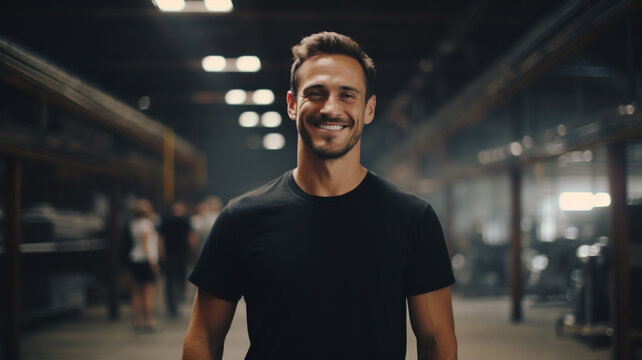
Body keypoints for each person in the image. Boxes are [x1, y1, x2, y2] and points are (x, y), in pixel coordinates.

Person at [183, 31, 457, 359]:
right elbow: (204, 336)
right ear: (291, 104)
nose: (330, 108)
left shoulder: (412, 219)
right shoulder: (241, 218)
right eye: (316, 93)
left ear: (368, 109)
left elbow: (436, 342)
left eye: (347, 95)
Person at [128, 198, 161, 332]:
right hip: (146, 261)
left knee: (136, 292)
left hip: (135, 259)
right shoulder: (147, 224)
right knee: (148, 293)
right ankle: (149, 320)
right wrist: (153, 262)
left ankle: (137, 321)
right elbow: (147, 245)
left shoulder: (133, 224)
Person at [159, 201, 198, 317]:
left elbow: (160, 237)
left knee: (170, 279)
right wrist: (194, 251)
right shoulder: (185, 221)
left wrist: (161, 252)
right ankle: (179, 297)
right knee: (180, 276)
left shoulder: (166, 220)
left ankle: (171, 303)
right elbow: (191, 237)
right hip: (181, 253)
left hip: (170, 253)